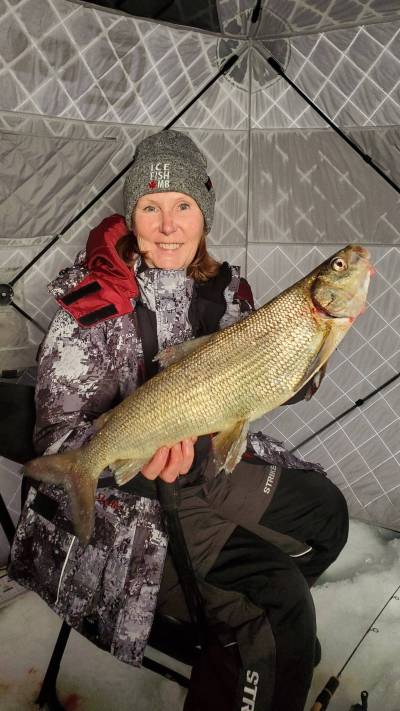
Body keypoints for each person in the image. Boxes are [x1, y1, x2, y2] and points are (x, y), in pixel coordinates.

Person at [9, 130, 349, 711]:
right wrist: (133, 461)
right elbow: (56, 436)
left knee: (328, 516)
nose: (169, 225)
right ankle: (251, 640)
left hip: (213, 468)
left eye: (183, 206)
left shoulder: (230, 292)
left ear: (203, 215)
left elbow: (281, 382)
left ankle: (248, 636)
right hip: (135, 503)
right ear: (132, 218)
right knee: (280, 602)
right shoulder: (90, 303)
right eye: (151, 207)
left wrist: (327, 335)